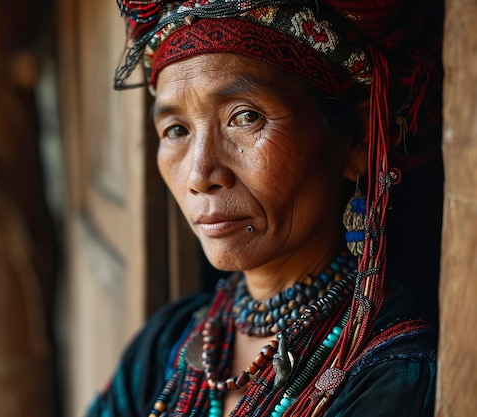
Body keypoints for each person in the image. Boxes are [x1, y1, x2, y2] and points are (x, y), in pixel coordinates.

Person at [88, 1, 443, 416]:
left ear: (358, 139)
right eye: (177, 130)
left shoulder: (392, 372)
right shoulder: (168, 343)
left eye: (245, 117)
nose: (200, 174)